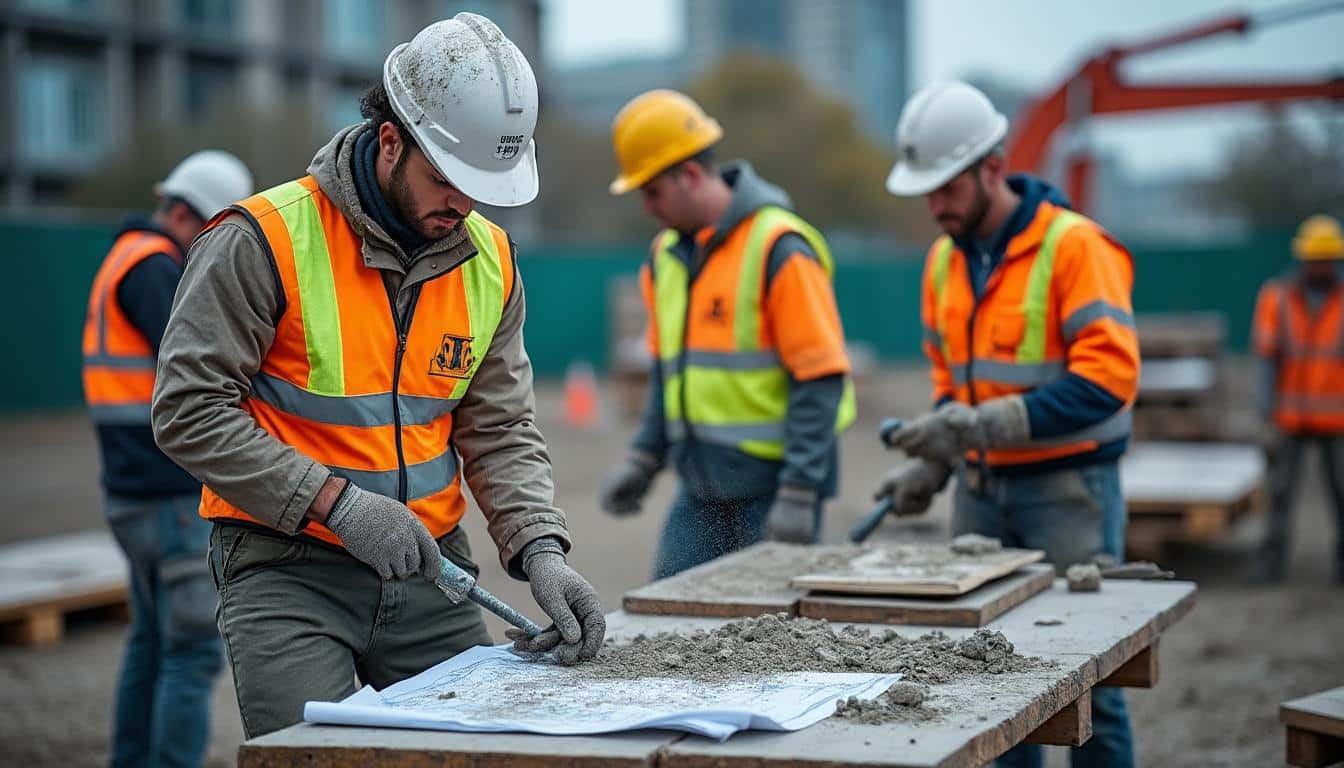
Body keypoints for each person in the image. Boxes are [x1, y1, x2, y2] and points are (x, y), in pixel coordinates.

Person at [150, 13, 604, 738]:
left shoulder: (489, 260)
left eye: (481, 186)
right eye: (448, 179)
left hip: (431, 570)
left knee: (483, 751)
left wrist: (538, 547)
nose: (463, 203)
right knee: (315, 754)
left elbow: (500, 426)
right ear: (390, 140)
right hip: (283, 566)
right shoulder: (260, 240)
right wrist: (336, 504)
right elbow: (187, 412)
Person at [878, 81, 1139, 768]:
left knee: (1095, 682)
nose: (935, 206)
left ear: (993, 167)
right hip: (981, 494)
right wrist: (932, 462)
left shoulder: (1075, 247)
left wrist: (979, 427)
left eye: (947, 187)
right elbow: (950, 381)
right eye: (927, 191)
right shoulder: (943, 262)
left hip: (1068, 494)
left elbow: (1110, 379)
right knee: (989, 684)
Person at [599, 89, 856, 578]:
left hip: (777, 492)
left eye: (652, 192)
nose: (648, 208)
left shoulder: (779, 249)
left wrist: (801, 493)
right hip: (699, 487)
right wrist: (643, 461)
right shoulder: (665, 259)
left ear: (691, 176)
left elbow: (820, 379)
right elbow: (668, 376)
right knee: (667, 616)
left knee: (776, 637)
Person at [82, 149, 253, 767]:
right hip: (164, 492)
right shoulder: (154, 269)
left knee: (152, 643)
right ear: (189, 215)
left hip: (128, 489)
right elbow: (197, 365)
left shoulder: (120, 258)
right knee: (190, 654)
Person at [1251, 214, 1344, 583]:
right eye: (1315, 258)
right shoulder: (1277, 298)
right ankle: (1271, 567)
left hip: (1338, 422)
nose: (1320, 265)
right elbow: (1265, 360)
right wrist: (1264, 416)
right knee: (1279, 495)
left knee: (1342, 497)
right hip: (1288, 419)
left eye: (1326, 259)